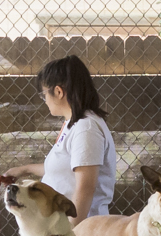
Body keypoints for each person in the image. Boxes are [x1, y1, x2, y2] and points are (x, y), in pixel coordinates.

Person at [30, 54, 119, 220]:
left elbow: (85, 188)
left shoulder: (86, 128)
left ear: (58, 92)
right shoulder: (74, 124)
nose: (45, 101)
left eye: (44, 95)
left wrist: (69, 234)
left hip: (82, 230)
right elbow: (63, 169)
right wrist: (23, 170)